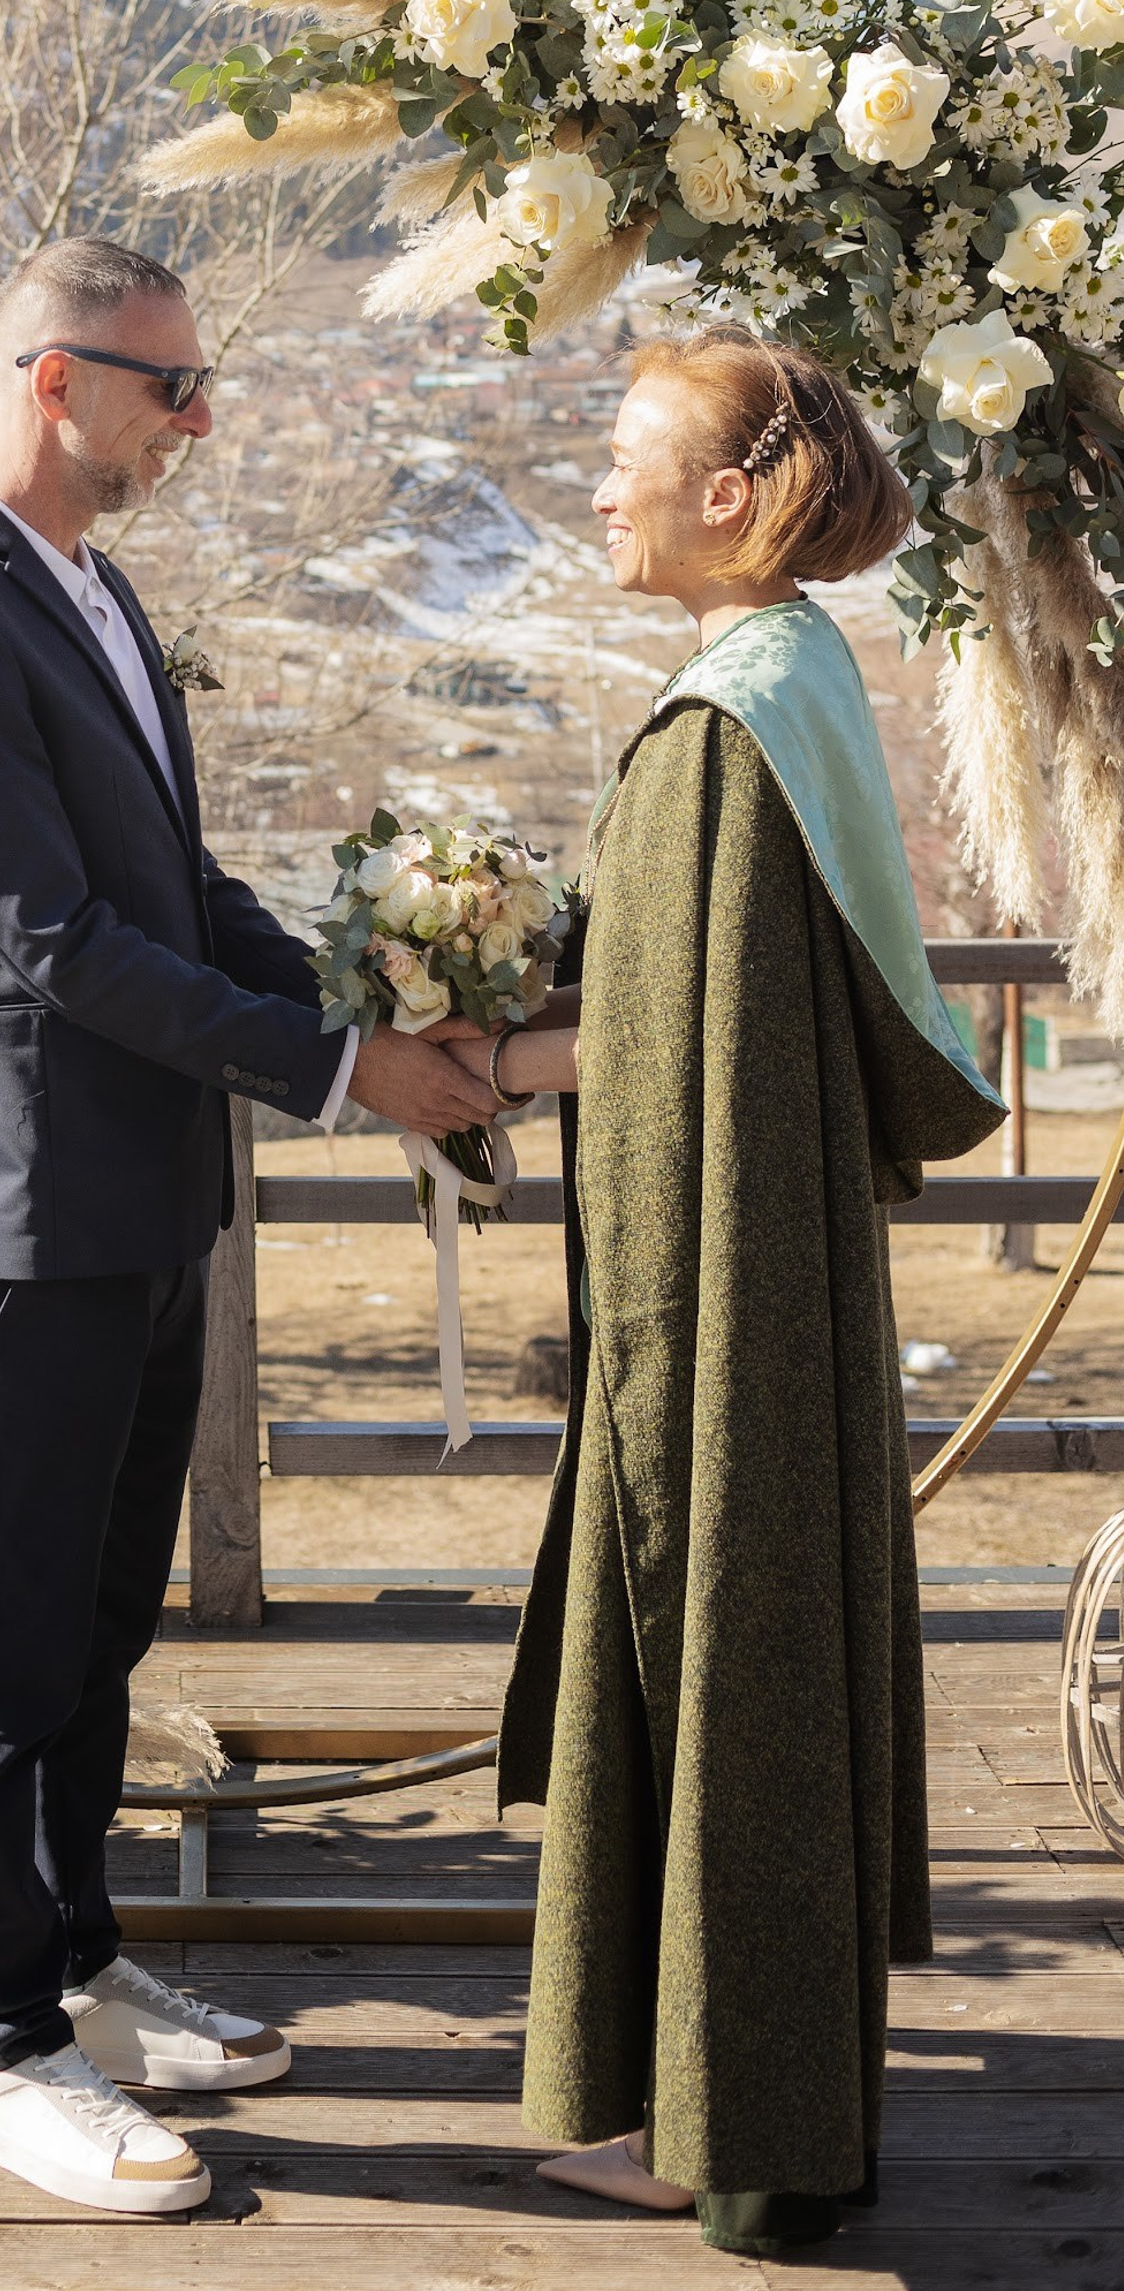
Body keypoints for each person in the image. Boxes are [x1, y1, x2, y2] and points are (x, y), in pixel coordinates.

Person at [0, 235, 490, 2218]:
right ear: (56, 381)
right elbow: (49, 949)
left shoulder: (96, 595)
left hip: (145, 1213)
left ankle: (82, 1966)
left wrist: (359, 1011)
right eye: (168, 387)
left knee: (105, 1630)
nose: (195, 421)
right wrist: (328, 1078)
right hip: (25, 1225)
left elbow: (180, 890)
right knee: (2, 1639)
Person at [440, 328, 1004, 2258]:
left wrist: (484, 1063)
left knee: (720, 1654)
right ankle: (724, 2107)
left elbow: (658, 1044)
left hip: (719, 1298)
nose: (597, 488)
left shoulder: (717, 731)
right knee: (751, 1665)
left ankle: (728, 2136)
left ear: (736, 499)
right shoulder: (807, 685)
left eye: (625, 456)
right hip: (779, 1275)